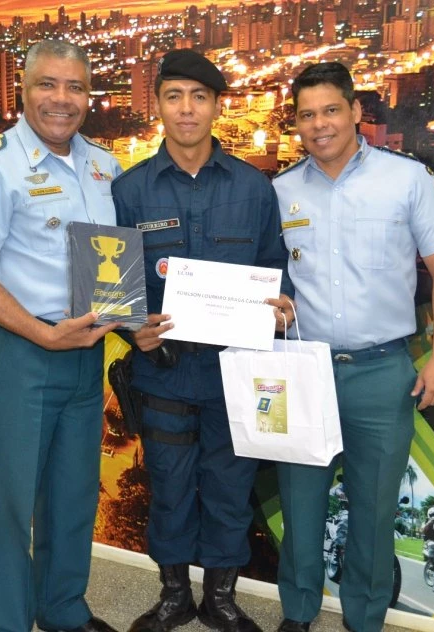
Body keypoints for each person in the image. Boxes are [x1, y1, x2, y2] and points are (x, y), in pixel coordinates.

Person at [271, 62, 434, 632]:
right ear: (296, 123)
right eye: (307, 115)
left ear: (356, 111)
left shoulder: (407, 179)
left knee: (376, 508)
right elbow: (273, 278)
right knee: (300, 503)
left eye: (331, 110)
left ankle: (365, 617)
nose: (320, 124)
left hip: (382, 372)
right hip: (305, 369)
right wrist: (275, 305)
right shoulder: (280, 190)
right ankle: (298, 612)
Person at [0, 40, 122, 632]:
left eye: (75, 86)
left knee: (74, 493)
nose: (61, 99)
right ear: (22, 89)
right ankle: (4, 621)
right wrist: (43, 337)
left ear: (89, 95)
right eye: (48, 84)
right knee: (10, 500)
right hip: (20, 349)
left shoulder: (104, 166)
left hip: (85, 349)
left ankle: (62, 608)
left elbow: (112, 263)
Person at [111, 49, 294, 632]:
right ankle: (173, 596)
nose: (186, 109)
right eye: (174, 96)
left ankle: (220, 599)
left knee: (230, 489)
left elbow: (275, 266)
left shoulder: (254, 188)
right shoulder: (129, 191)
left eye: (198, 97)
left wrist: (281, 306)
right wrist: (131, 328)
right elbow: (114, 286)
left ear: (217, 106)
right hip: (164, 372)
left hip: (236, 373)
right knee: (167, 486)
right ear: (158, 106)